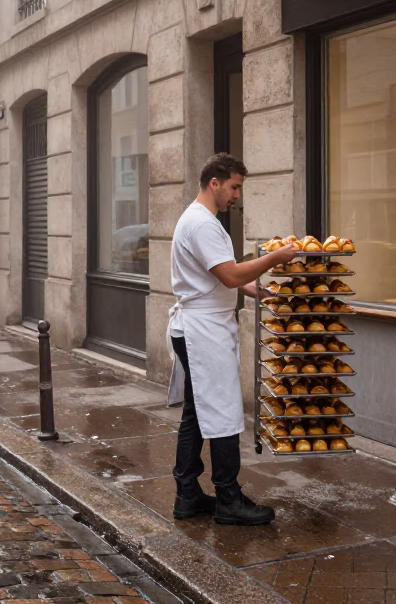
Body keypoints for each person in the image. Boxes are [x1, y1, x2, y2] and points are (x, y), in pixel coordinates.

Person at [167, 153, 298, 526]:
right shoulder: (202, 223)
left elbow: (216, 277)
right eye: (235, 187)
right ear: (215, 183)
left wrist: (256, 290)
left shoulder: (197, 220)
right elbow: (227, 275)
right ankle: (228, 498)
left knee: (196, 412)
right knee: (223, 410)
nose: (236, 195)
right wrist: (275, 258)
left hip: (199, 324)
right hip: (203, 330)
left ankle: (188, 495)